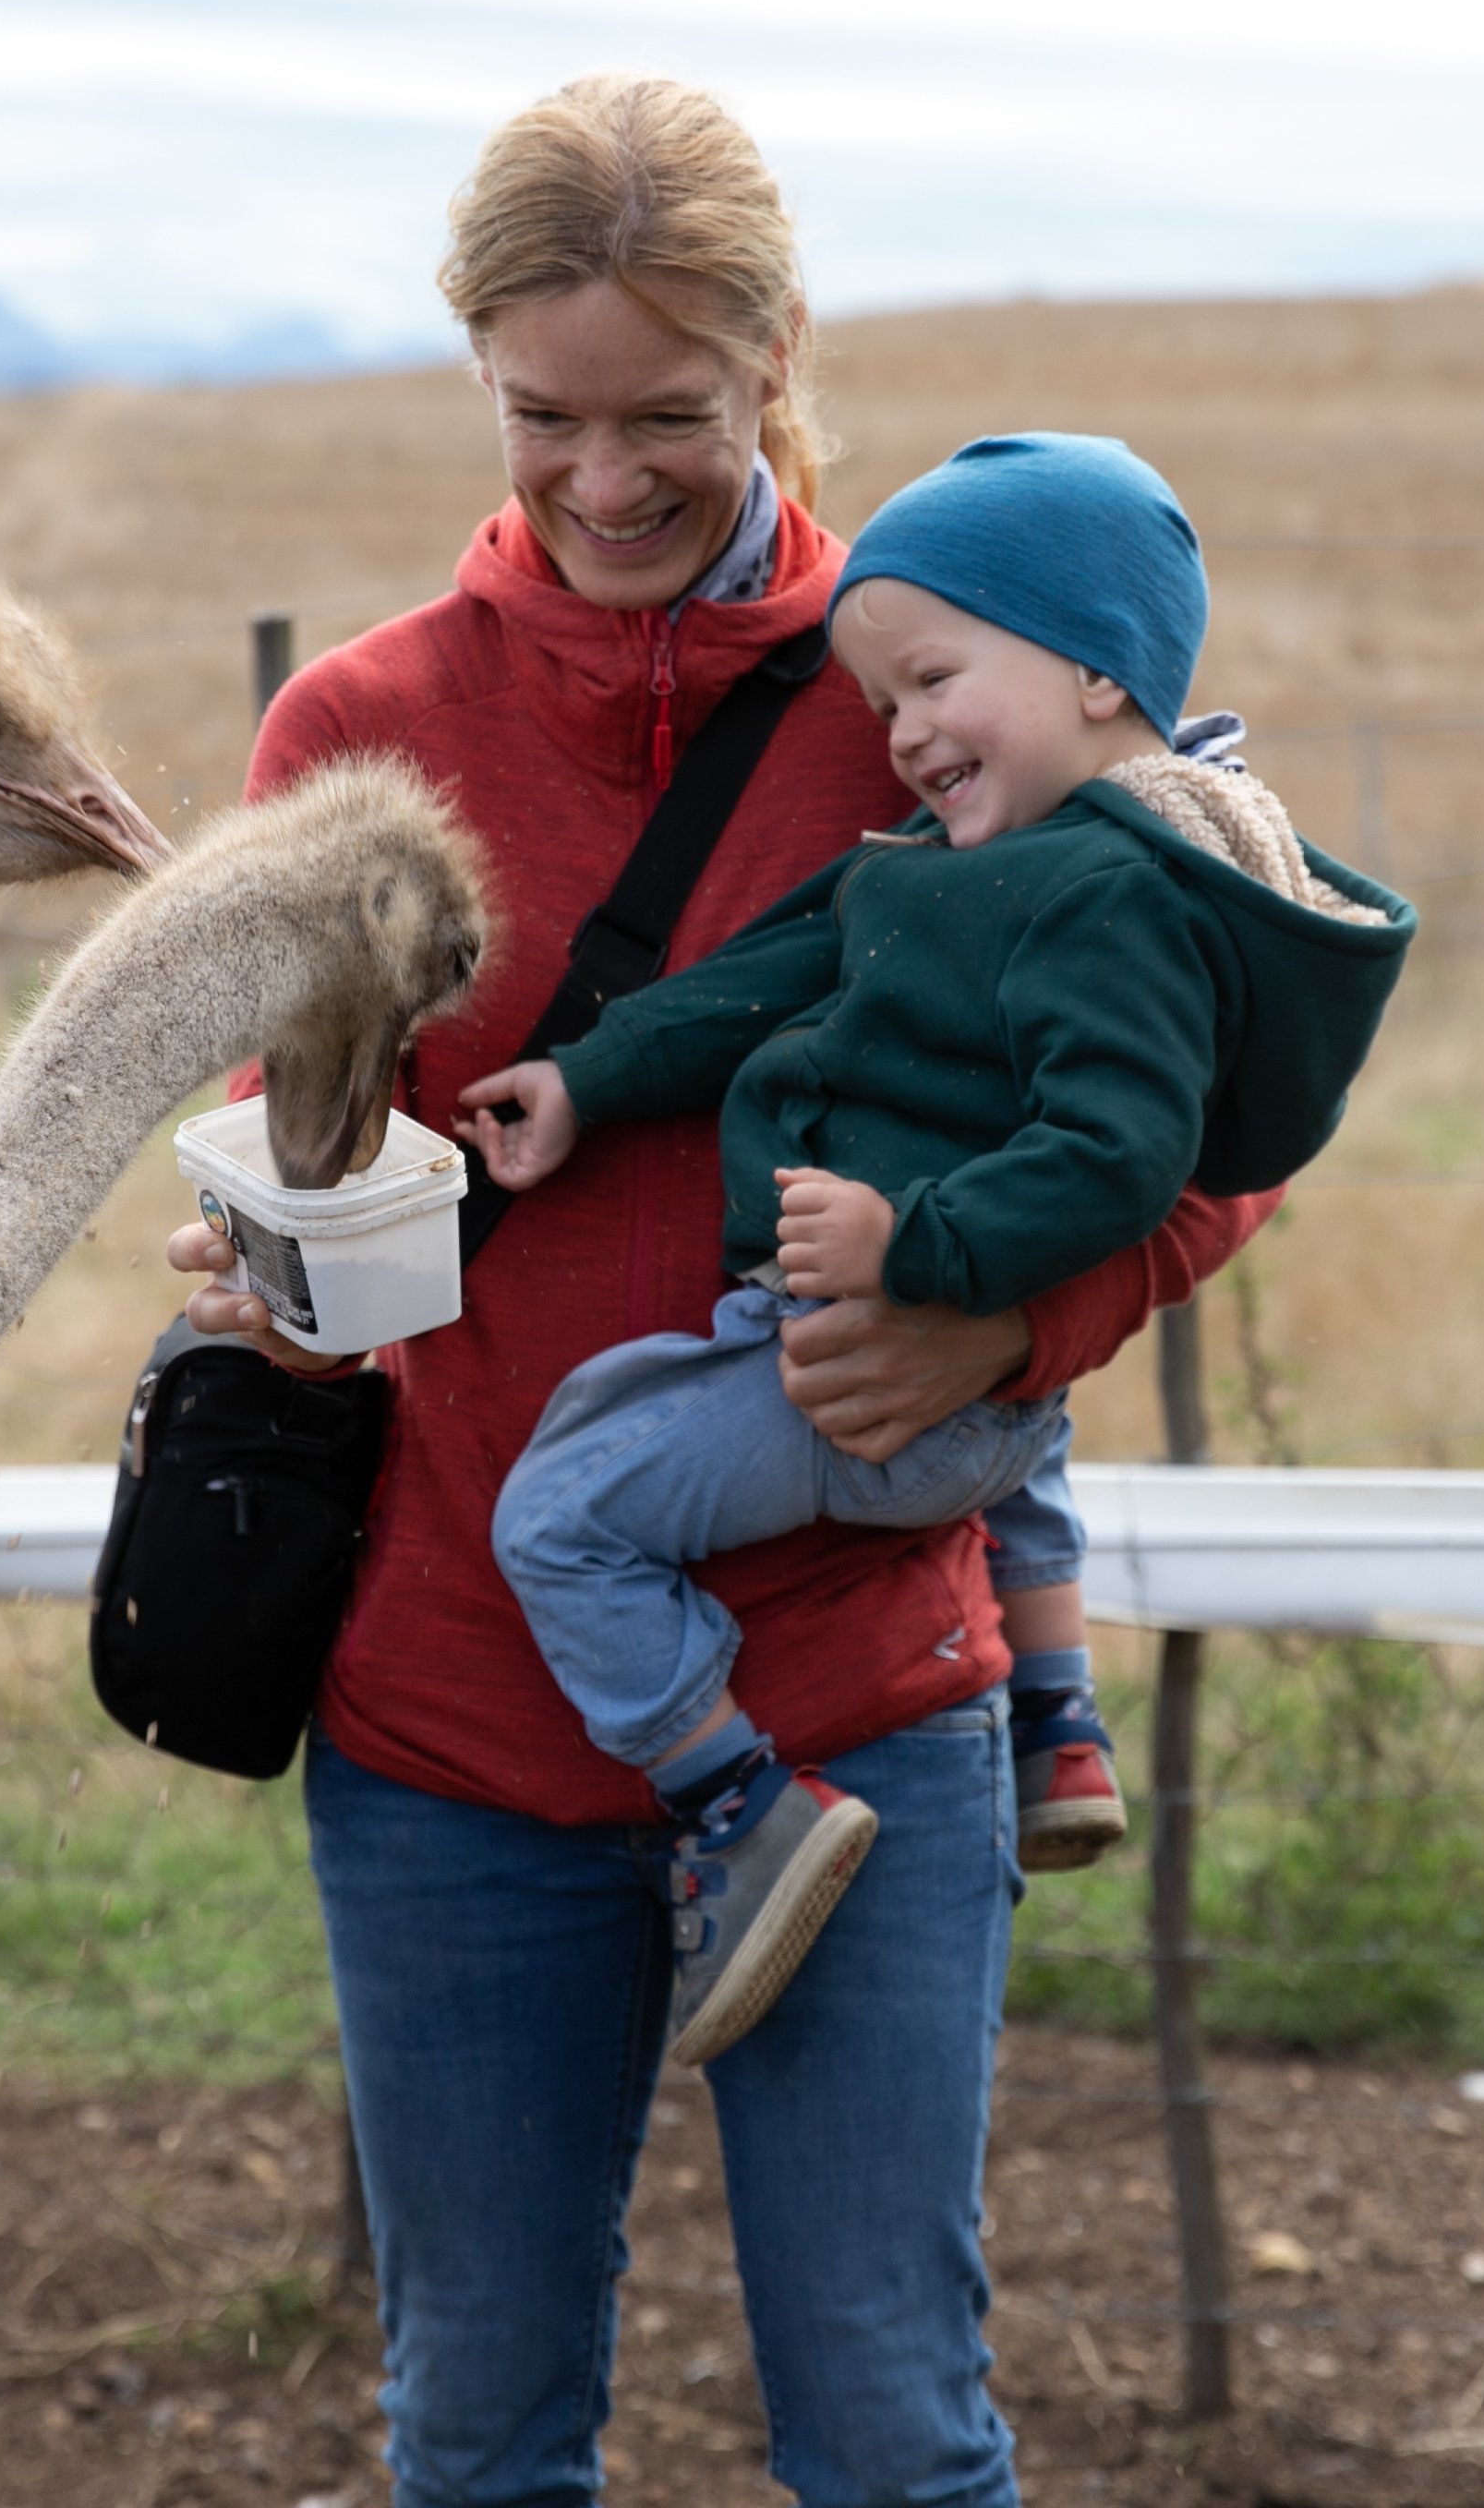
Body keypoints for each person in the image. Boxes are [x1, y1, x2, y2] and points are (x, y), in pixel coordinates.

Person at [161, 74, 1276, 2508]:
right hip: (449, 1717)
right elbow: (301, 1139)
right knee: (474, 2433)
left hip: (865, 1703)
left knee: (887, 2434)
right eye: (535, 416)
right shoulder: (353, 732)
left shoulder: (947, 687)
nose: (597, 479)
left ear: (776, 364)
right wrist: (267, 1265)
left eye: (664, 415)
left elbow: (1224, 1139)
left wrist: (1004, 1332)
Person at [460, 432, 1411, 2072]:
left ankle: (733, 1802)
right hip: (992, 1413)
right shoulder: (969, 871)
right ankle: (1057, 1723)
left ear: (1102, 670)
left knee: (559, 1509)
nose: (899, 739)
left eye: (931, 683)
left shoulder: (1112, 898)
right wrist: (587, 1080)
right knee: (1017, 1453)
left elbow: (1123, 1153)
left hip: (881, 1384)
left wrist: (918, 1249)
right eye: (881, 706)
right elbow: (772, 974)